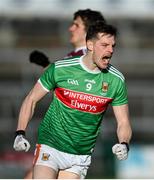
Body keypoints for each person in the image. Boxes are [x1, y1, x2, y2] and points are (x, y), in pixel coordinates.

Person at [13, 21, 132, 179]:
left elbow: (123, 122)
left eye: (113, 46)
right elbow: (31, 100)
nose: (110, 50)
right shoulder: (61, 69)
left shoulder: (116, 80)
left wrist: (124, 143)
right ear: (90, 45)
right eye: (104, 45)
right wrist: (20, 132)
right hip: (50, 145)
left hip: (79, 155)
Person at [29, 8, 106, 68]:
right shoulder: (76, 56)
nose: (71, 29)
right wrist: (46, 65)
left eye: (76, 25)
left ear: (89, 32)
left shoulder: (88, 58)